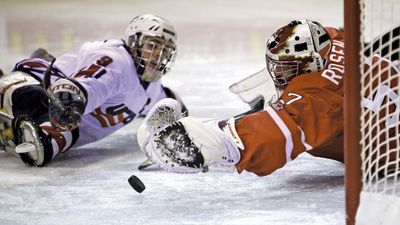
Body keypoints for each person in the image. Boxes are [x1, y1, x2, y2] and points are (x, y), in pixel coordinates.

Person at [137, 19, 400, 176]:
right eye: (277, 66)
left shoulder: (316, 101)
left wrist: (194, 143)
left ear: (311, 64)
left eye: (289, 69)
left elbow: (270, 136)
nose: (279, 75)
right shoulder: (333, 42)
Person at [0, 14, 187, 167]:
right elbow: (87, 86)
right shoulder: (116, 62)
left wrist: (186, 128)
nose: (158, 55)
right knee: (52, 124)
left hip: (54, 108)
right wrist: (69, 102)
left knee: (61, 135)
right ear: (134, 42)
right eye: (152, 46)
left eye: (166, 50)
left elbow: (172, 108)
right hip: (37, 84)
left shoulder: (153, 89)